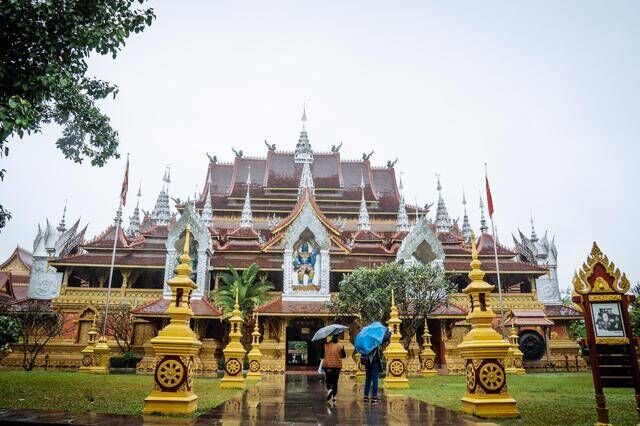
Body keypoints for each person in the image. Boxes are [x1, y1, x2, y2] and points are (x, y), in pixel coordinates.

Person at [322, 334, 346, 402]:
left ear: (331, 338)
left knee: (328, 380)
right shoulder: (340, 346)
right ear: (338, 338)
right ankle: (334, 396)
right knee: (335, 381)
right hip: (337, 366)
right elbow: (344, 356)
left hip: (328, 365)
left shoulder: (326, 345)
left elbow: (322, 354)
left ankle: (329, 389)